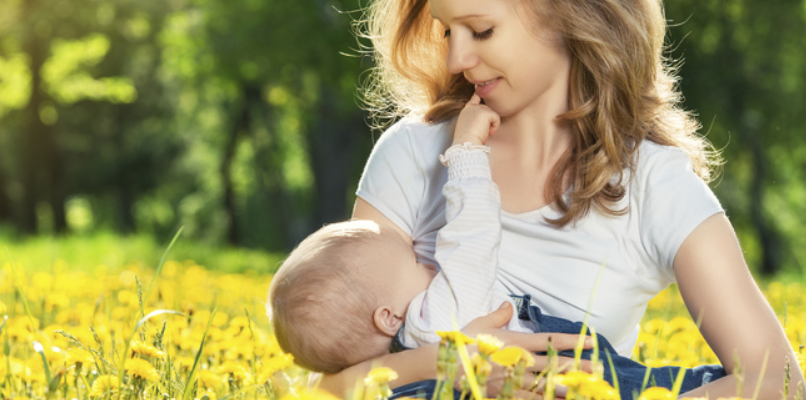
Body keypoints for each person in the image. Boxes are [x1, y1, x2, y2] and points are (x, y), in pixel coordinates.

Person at [318, 0, 805, 397]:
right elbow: (329, 386)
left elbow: (778, 382)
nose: (455, 60)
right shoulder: (413, 152)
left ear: (567, 12)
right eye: (447, 32)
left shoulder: (654, 183)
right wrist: (451, 363)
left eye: (481, 31)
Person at [270, 95, 726, 397]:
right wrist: (467, 154)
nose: (426, 255)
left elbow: (333, 387)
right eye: (413, 257)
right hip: (572, 376)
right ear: (387, 316)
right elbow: (472, 238)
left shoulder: (397, 356)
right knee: (664, 386)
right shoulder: (438, 316)